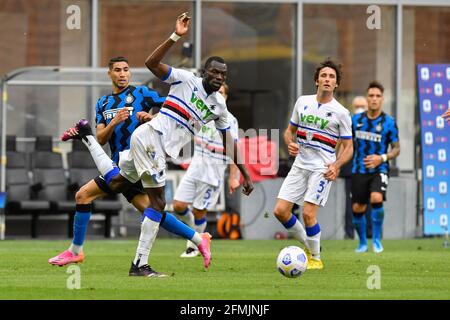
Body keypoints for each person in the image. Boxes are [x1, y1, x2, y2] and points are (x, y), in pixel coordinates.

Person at [60, 12, 253, 275]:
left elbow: (229, 141)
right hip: (152, 142)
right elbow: (151, 63)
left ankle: (86, 137)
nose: (219, 77)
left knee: (115, 181)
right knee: (158, 204)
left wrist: (244, 173)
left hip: (149, 145)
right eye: (214, 72)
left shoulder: (219, 107)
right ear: (205, 72)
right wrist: (176, 36)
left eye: (223, 74)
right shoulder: (186, 79)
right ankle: (140, 265)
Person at [49, 57, 211, 277]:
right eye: (118, 70)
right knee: (149, 210)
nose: (123, 74)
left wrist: (151, 117)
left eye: (126, 70)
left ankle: (78, 251)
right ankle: (198, 239)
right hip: (120, 163)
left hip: (142, 159)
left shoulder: (142, 94)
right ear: (110, 74)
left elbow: (171, 105)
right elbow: (102, 137)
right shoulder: (103, 103)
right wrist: (114, 122)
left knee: (89, 196)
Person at [273, 58, 354, 270]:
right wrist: (290, 143)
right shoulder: (303, 102)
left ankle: (316, 258)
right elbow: (288, 132)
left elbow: (348, 147)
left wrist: (336, 166)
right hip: (300, 165)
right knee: (280, 211)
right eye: (324, 76)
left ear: (336, 84)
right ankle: (309, 247)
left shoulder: (341, 112)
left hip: (322, 168)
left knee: (308, 214)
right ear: (317, 80)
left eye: (332, 77)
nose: (327, 79)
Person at [173, 83, 240, 257]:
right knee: (178, 205)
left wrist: (234, 177)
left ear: (226, 98)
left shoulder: (230, 120)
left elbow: (235, 151)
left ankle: (194, 246)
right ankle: (194, 234)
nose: (219, 95)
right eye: (216, 92)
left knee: (199, 211)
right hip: (195, 168)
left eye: (222, 93)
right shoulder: (202, 114)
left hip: (213, 174)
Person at [351, 81, 400, 253]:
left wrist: (383, 158)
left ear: (382, 99)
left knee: (377, 198)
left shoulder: (389, 122)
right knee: (358, 207)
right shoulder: (355, 120)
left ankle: (377, 240)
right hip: (358, 169)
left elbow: (396, 148)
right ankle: (363, 242)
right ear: (366, 98)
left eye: (377, 96)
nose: (374, 99)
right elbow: (346, 144)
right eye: (371, 95)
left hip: (380, 170)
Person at [341, 96, 372, 239]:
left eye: (362, 106)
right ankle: (349, 233)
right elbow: (342, 144)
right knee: (350, 202)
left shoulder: (372, 124)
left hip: (368, 168)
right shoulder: (348, 123)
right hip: (351, 169)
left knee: (370, 201)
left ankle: (369, 233)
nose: (360, 108)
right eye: (357, 105)